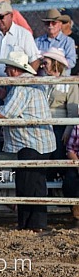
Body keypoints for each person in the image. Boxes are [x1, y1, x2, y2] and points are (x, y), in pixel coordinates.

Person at [0, 51, 56, 232]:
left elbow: (7, 113)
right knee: (32, 183)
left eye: (8, 67)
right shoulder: (29, 84)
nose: (6, 70)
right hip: (36, 141)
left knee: (29, 184)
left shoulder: (21, 86)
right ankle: (31, 224)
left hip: (32, 142)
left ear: (15, 70)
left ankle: (33, 225)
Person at [0, 1, 41, 157]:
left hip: (16, 86)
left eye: (1, 17)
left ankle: (14, 167)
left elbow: (35, 60)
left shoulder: (23, 34)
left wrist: (22, 81)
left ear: (11, 16)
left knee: (16, 127)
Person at [41, 47, 79, 180]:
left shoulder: (69, 82)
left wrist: (68, 129)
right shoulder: (42, 82)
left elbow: (73, 110)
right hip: (44, 125)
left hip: (60, 127)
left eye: (46, 63)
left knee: (58, 156)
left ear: (55, 63)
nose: (43, 66)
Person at [35, 9, 76, 75]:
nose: (50, 25)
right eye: (47, 23)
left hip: (62, 81)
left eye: (54, 23)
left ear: (60, 24)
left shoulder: (68, 41)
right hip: (42, 82)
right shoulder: (37, 42)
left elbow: (72, 62)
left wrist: (53, 65)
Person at [63, 125, 79, 229]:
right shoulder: (77, 125)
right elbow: (70, 149)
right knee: (70, 181)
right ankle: (76, 215)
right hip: (77, 161)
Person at [58, 8, 79, 75]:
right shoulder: (53, 40)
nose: (60, 25)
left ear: (70, 23)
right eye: (58, 21)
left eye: (63, 22)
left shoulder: (77, 39)